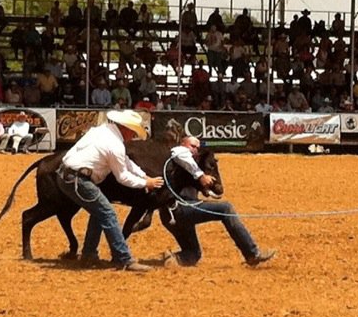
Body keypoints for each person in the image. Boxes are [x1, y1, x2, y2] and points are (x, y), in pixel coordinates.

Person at [56, 110, 164, 271]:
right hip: (78, 180)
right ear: (126, 128)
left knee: (100, 211)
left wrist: (143, 175)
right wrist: (145, 183)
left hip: (67, 175)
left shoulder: (101, 130)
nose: (133, 136)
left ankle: (89, 255)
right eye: (133, 132)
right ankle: (124, 259)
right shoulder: (115, 145)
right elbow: (123, 177)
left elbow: (125, 161)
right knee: (107, 212)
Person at [162, 136, 276, 267]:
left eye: (197, 148)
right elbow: (180, 154)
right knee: (225, 208)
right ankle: (252, 253)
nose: (194, 150)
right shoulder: (179, 153)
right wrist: (201, 176)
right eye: (192, 146)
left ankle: (172, 259)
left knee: (193, 254)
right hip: (180, 209)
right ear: (182, 144)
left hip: (173, 214)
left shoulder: (188, 164)